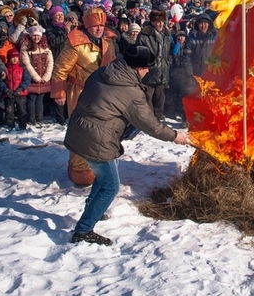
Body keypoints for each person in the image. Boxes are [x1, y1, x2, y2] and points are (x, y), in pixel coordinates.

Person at [65, 45, 189, 245]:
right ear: (137, 68)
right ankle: (83, 230)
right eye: (146, 68)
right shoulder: (130, 91)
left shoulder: (104, 71)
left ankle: (94, 211)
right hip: (97, 139)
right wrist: (175, 136)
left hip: (80, 129)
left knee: (103, 177)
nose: (148, 71)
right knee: (111, 187)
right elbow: (150, 124)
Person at [51, 6, 118, 186]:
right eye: (95, 25)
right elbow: (60, 69)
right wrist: (59, 92)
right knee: (82, 130)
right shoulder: (75, 44)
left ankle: (100, 166)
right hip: (80, 93)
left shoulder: (108, 42)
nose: (99, 28)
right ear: (87, 26)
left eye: (101, 25)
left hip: (103, 94)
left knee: (101, 131)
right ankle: (79, 169)